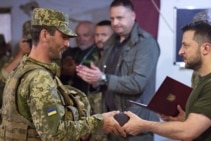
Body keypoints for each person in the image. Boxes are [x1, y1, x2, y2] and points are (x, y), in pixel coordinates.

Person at [0, 8, 126, 141]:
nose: (67, 43)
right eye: (63, 37)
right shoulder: (40, 78)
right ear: (44, 35)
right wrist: (99, 121)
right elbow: (54, 134)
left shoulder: (20, 69)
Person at [122, 21, 211, 141]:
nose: (180, 51)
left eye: (186, 45)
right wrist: (183, 118)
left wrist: (144, 125)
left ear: (205, 48)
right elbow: (206, 126)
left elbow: (188, 132)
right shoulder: (206, 79)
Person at [76, 0, 160, 140]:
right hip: (112, 123)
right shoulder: (112, 43)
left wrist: (103, 78)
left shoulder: (146, 43)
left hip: (135, 126)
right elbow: (103, 79)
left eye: (120, 18)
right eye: (112, 18)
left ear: (133, 15)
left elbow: (137, 83)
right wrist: (93, 78)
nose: (115, 23)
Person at [88, 20, 114, 141]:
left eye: (104, 35)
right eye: (97, 35)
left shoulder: (117, 60)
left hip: (113, 121)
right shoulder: (94, 59)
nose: (99, 38)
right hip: (97, 119)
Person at [60, 20, 98, 94]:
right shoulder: (70, 52)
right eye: (78, 35)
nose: (81, 39)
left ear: (94, 36)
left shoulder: (99, 54)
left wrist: (75, 71)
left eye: (85, 35)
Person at [0, 20, 32, 108]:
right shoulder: (18, 59)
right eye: (30, 41)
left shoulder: (50, 57)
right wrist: (21, 54)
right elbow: (2, 79)